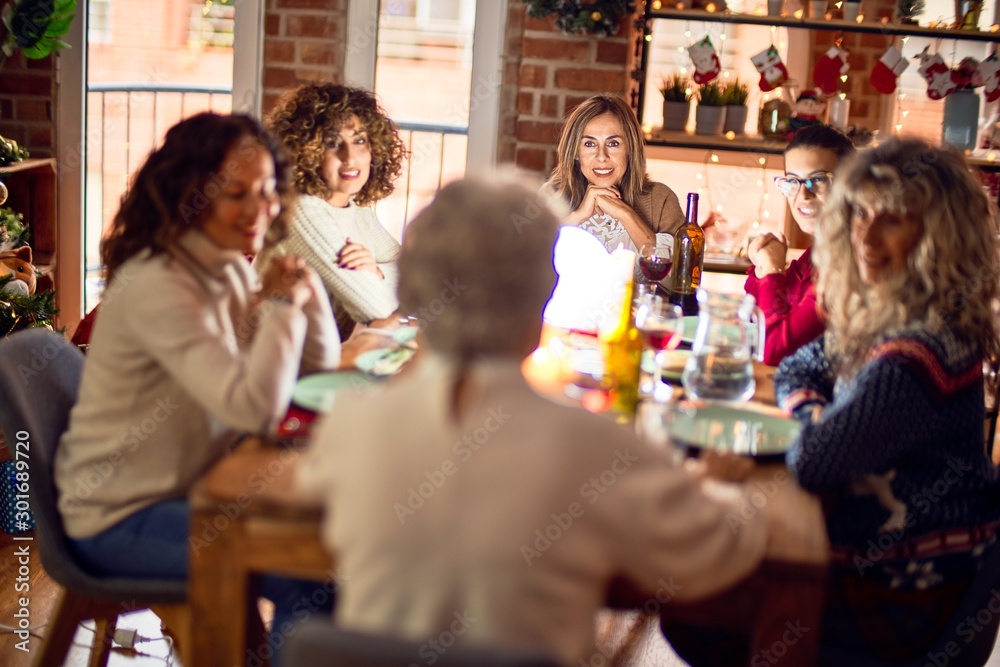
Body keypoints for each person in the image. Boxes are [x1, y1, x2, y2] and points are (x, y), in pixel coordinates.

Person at [297, 176, 771, 664]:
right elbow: (717, 553)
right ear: (546, 291)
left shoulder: (352, 423)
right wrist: (718, 485)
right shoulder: (595, 446)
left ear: (414, 287)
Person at [55, 113, 340, 664]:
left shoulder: (225, 269)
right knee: (304, 572)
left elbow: (315, 371)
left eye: (266, 190)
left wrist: (309, 292)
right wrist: (280, 307)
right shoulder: (160, 286)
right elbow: (258, 409)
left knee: (318, 557)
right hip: (116, 517)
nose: (261, 208)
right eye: (237, 193)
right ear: (192, 193)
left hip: (192, 492)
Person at [774, 137, 1000, 661]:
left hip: (904, 595)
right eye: (858, 215)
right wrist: (820, 414)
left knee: (703, 603)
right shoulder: (892, 313)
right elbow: (799, 365)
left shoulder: (917, 351)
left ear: (938, 237)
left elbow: (812, 460)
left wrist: (814, 420)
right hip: (899, 569)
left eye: (891, 219)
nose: (866, 238)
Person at [258, 82, 407, 341]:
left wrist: (377, 272)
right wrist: (382, 280)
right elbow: (377, 310)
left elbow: (409, 271)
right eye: (332, 142)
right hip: (279, 367)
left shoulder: (356, 206)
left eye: (359, 140)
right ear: (306, 150)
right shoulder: (301, 212)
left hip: (326, 360)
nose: (349, 157)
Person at [745, 123, 854, 366]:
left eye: (818, 180)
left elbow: (772, 351)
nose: (803, 196)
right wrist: (762, 267)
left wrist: (772, 269)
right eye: (793, 181)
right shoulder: (818, 252)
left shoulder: (848, 263)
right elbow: (753, 317)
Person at [545, 94, 684, 253]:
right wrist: (578, 216)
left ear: (629, 149)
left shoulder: (661, 199)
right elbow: (528, 263)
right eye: (590, 144)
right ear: (576, 152)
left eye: (613, 143)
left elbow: (676, 274)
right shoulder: (550, 196)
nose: (602, 156)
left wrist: (625, 214)